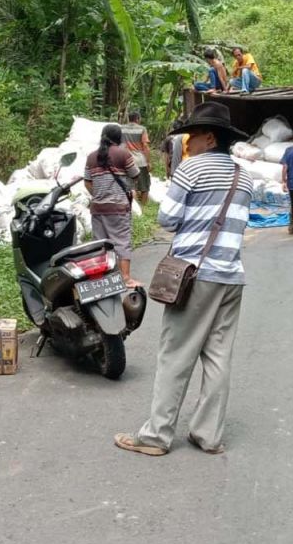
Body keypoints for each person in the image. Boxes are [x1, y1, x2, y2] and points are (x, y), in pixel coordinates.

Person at [114, 102, 254, 457]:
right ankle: (208, 435)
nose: (187, 143)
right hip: (231, 276)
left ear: (210, 137)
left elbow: (168, 219)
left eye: (192, 136)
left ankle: (156, 436)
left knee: (175, 353)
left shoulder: (190, 170)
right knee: (218, 356)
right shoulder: (244, 175)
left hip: (195, 276)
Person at [84, 124, 142, 286]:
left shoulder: (91, 157)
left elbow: (87, 182)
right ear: (119, 137)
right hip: (118, 207)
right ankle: (125, 278)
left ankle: (101, 279)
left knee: (100, 243)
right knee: (122, 241)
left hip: (97, 208)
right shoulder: (123, 154)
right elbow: (135, 175)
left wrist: (98, 194)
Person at [121, 111, 152, 206]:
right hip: (140, 161)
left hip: (126, 161)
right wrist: (148, 161)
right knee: (144, 186)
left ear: (129, 119)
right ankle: (143, 208)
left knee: (130, 186)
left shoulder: (121, 129)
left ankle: (133, 208)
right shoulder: (142, 129)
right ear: (137, 119)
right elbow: (145, 146)